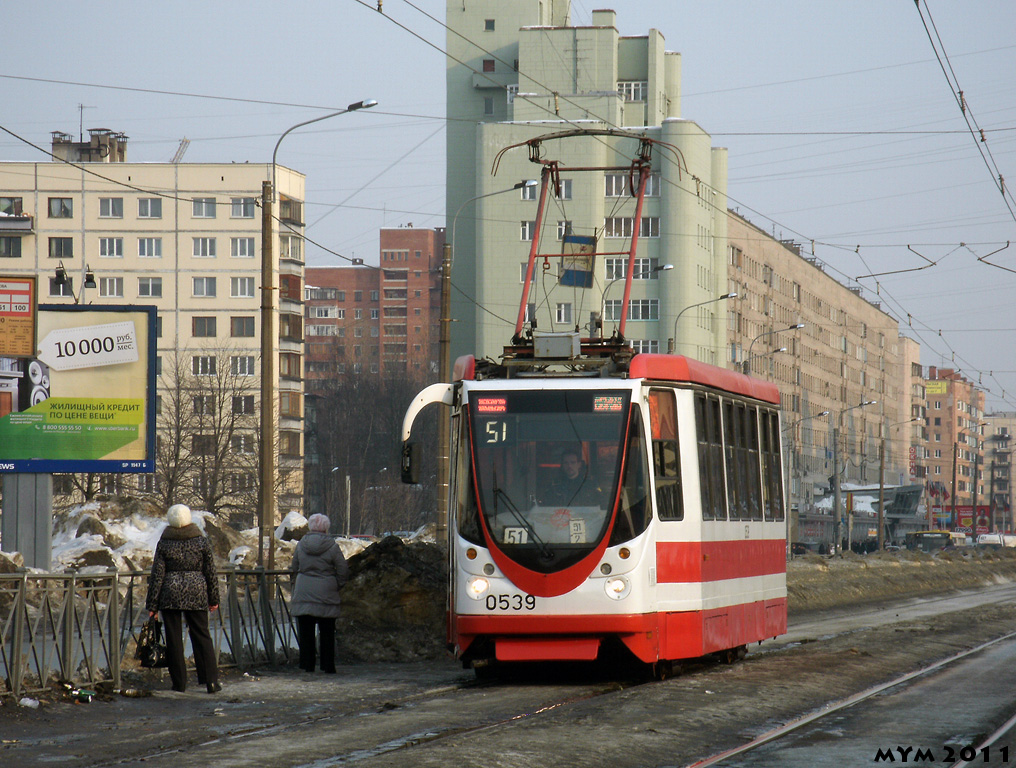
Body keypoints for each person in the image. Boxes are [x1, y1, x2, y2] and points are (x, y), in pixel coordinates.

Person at [146, 504, 221, 694]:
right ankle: (211, 681)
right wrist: (214, 598)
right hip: (196, 590)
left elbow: (157, 575)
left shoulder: (165, 542)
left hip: (170, 592)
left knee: (174, 638)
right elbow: (210, 572)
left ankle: (179, 683)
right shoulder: (201, 541)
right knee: (202, 635)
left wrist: (152, 604)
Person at [290, 513, 349, 673]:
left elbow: (294, 566)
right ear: (326, 528)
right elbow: (342, 569)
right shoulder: (332, 546)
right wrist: (337, 584)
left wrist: (298, 581)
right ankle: (327, 665)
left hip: (304, 591)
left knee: (306, 631)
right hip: (326, 592)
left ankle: (307, 664)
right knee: (327, 632)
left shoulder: (301, 544)